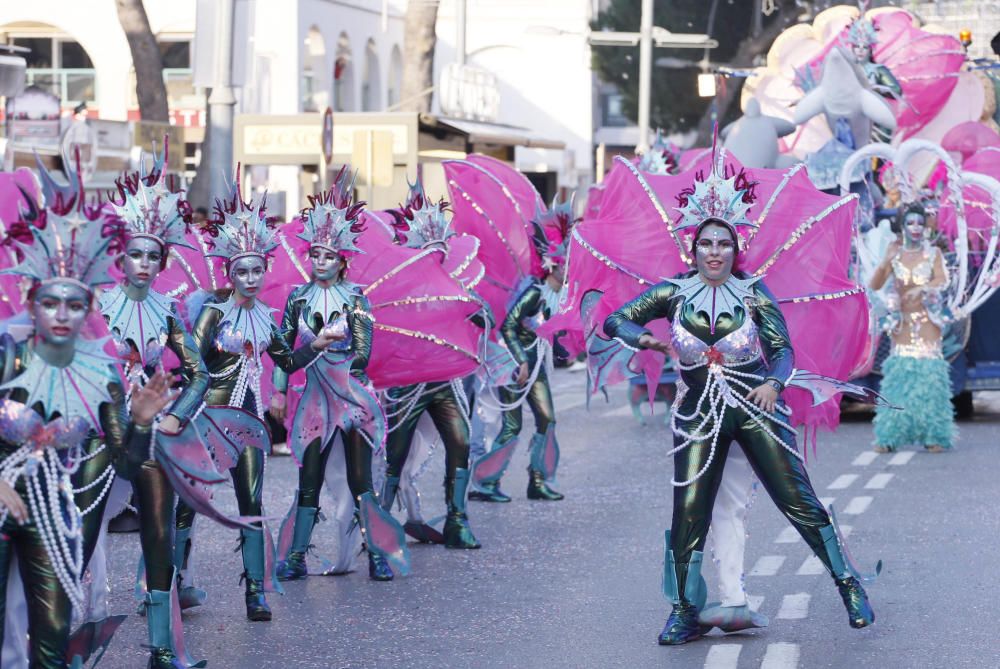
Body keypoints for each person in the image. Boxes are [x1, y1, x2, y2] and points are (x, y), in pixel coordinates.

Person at [603, 165, 875, 645]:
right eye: (706, 243)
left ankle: (849, 584)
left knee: (797, 500)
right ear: (693, 247)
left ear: (736, 248)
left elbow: (784, 350)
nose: (714, 251)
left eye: (724, 243)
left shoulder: (753, 293)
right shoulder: (671, 292)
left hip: (756, 409)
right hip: (697, 415)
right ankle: (686, 610)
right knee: (688, 511)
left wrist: (773, 383)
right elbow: (614, 321)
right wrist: (646, 338)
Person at [0, 185, 173, 667]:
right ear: (33, 302)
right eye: (51, 303)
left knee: (53, 642)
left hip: (54, 516)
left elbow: (124, 461)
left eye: (74, 305)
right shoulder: (8, 356)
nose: (61, 315)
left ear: (88, 309)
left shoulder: (101, 375)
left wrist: (140, 422)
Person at [173, 172, 336, 622]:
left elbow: (286, 362)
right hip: (206, 419)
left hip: (249, 420)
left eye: (257, 269)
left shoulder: (267, 317)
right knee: (189, 502)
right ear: (229, 272)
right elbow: (193, 365)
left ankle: (254, 594)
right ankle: (171, 583)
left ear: (267, 270)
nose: (249, 277)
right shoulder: (210, 312)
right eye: (241, 270)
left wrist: (317, 345)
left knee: (252, 503)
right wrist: (187, 413)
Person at [272, 170, 407, 582]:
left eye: (329, 256)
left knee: (360, 478)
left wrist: (341, 345)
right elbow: (283, 353)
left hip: (350, 397)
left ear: (343, 259)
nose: (321, 262)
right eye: (315, 255)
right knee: (307, 477)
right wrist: (279, 393)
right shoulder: (297, 298)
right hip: (313, 400)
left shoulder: (356, 298)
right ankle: (296, 557)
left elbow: (365, 352)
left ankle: (376, 554)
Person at [379, 182, 485, 549]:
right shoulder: (397, 289)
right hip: (408, 380)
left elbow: (476, 318)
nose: (435, 262)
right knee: (396, 451)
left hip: (445, 380)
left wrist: (477, 314)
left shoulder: (456, 284)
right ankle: (378, 525)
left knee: (461, 441)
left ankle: (457, 520)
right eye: (428, 254)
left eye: (439, 254)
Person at [470, 197, 573, 503]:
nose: (568, 268)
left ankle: (538, 480)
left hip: (536, 362)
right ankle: (486, 482)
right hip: (517, 364)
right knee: (512, 425)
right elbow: (508, 326)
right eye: (565, 262)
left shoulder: (560, 294)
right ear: (552, 264)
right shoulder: (533, 291)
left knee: (547, 420)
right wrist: (520, 361)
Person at [869, 202, 954, 452]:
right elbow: (874, 285)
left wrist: (923, 288)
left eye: (920, 222)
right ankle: (889, 436)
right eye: (910, 223)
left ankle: (934, 435)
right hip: (902, 324)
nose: (916, 228)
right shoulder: (894, 253)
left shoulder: (933, 253)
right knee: (899, 379)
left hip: (927, 322)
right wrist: (885, 262)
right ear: (902, 227)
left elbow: (942, 279)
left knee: (929, 379)